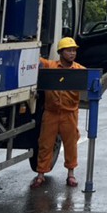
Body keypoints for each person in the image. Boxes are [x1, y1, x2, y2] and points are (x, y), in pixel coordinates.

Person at [32, 36, 84, 189]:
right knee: (45, 144)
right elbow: (38, 60)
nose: (72, 53)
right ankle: (40, 174)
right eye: (69, 50)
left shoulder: (80, 70)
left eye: (74, 50)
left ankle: (71, 174)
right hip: (51, 113)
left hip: (69, 114)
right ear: (61, 52)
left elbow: (92, 81)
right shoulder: (51, 66)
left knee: (71, 145)